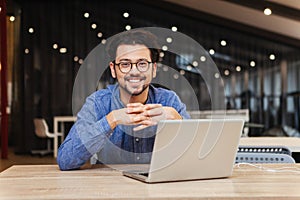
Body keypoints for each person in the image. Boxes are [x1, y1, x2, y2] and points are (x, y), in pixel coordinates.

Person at [57, 29, 190, 170]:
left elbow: (198, 158)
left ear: (154, 69)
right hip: (109, 189)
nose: (134, 71)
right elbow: (66, 160)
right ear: (113, 70)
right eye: (125, 64)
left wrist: (178, 122)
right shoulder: (98, 103)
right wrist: (111, 120)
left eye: (142, 63)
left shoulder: (169, 101)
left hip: (157, 189)